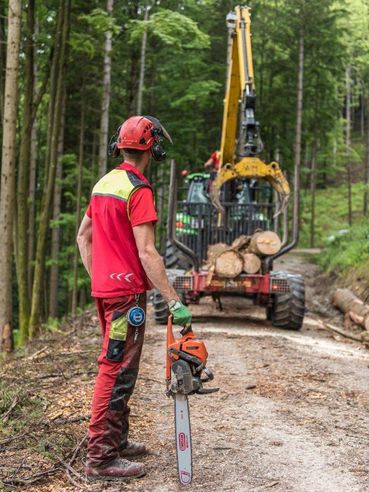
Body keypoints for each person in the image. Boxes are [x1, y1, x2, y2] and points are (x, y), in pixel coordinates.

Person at [77, 115, 192, 482]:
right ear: (152, 148)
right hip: (127, 296)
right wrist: (174, 300)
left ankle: (117, 440)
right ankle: (100, 457)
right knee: (114, 370)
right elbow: (148, 254)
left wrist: (99, 276)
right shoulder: (137, 189)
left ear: (120, 145)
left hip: (108, 291)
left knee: (122, 368)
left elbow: (83, 237)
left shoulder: (104, 184)